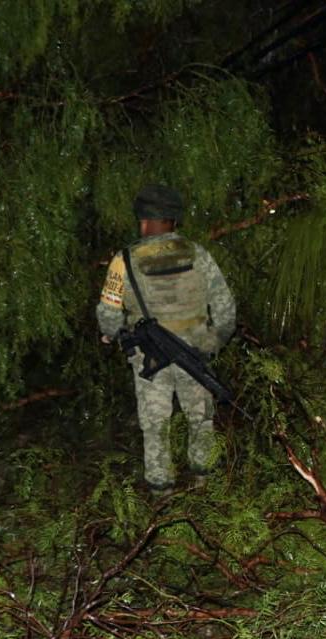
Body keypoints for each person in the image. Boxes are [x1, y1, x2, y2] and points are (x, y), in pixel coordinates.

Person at [97, 184, 237, 493]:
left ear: (144, 222)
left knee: (155, 425)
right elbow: (226, 310)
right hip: (196, 351)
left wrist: (112, 335)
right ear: (174, 221)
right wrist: (214, 342)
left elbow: (108, 314)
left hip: (150, 358)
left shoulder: (124, 261)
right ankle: (205, 485)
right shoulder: (198, 255)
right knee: (201, 420)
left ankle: (161, 494)